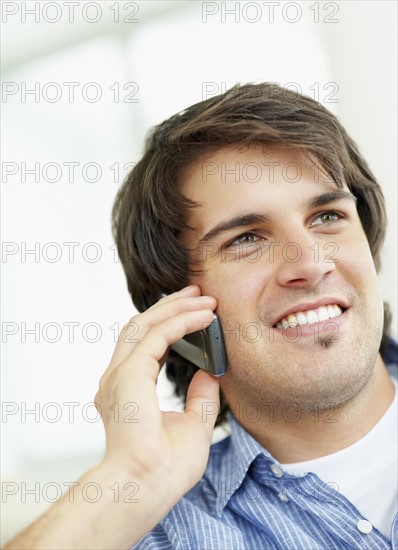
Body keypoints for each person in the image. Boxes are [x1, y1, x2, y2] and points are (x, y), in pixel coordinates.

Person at [5, 83, 397, 550]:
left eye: (327, 216)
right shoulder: (153, 533)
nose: (310, 264)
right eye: (246, 239)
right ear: (181, 313)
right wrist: (133, 477)